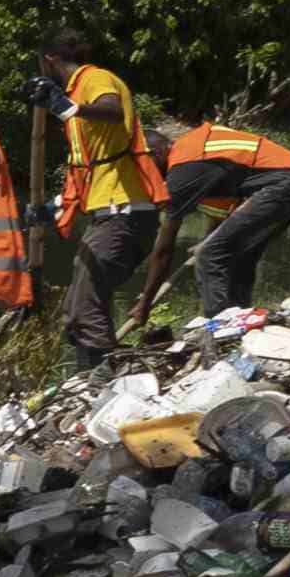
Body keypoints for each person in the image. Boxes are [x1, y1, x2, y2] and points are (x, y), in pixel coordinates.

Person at [41, 42, 179, 362]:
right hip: (110, 213)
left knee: (85, 307)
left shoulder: (94, 78)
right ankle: (96, 379)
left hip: (124, 212)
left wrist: (69, 106)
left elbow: (113, 110)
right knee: (77, 309)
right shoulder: (78, 101)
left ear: (50, 58)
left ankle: (102, 380)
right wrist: (51, 209)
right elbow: (85, 175)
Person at [161, 113, 290, 313]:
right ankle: (241, 316)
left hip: (284, 183)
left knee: (208, 255)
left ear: (156, 154)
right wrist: (210, 238)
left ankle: (219, 325)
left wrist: (145, 300)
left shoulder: (185, 166)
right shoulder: (198, 152)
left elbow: (163, 248)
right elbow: (223, 213)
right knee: (240, 253)